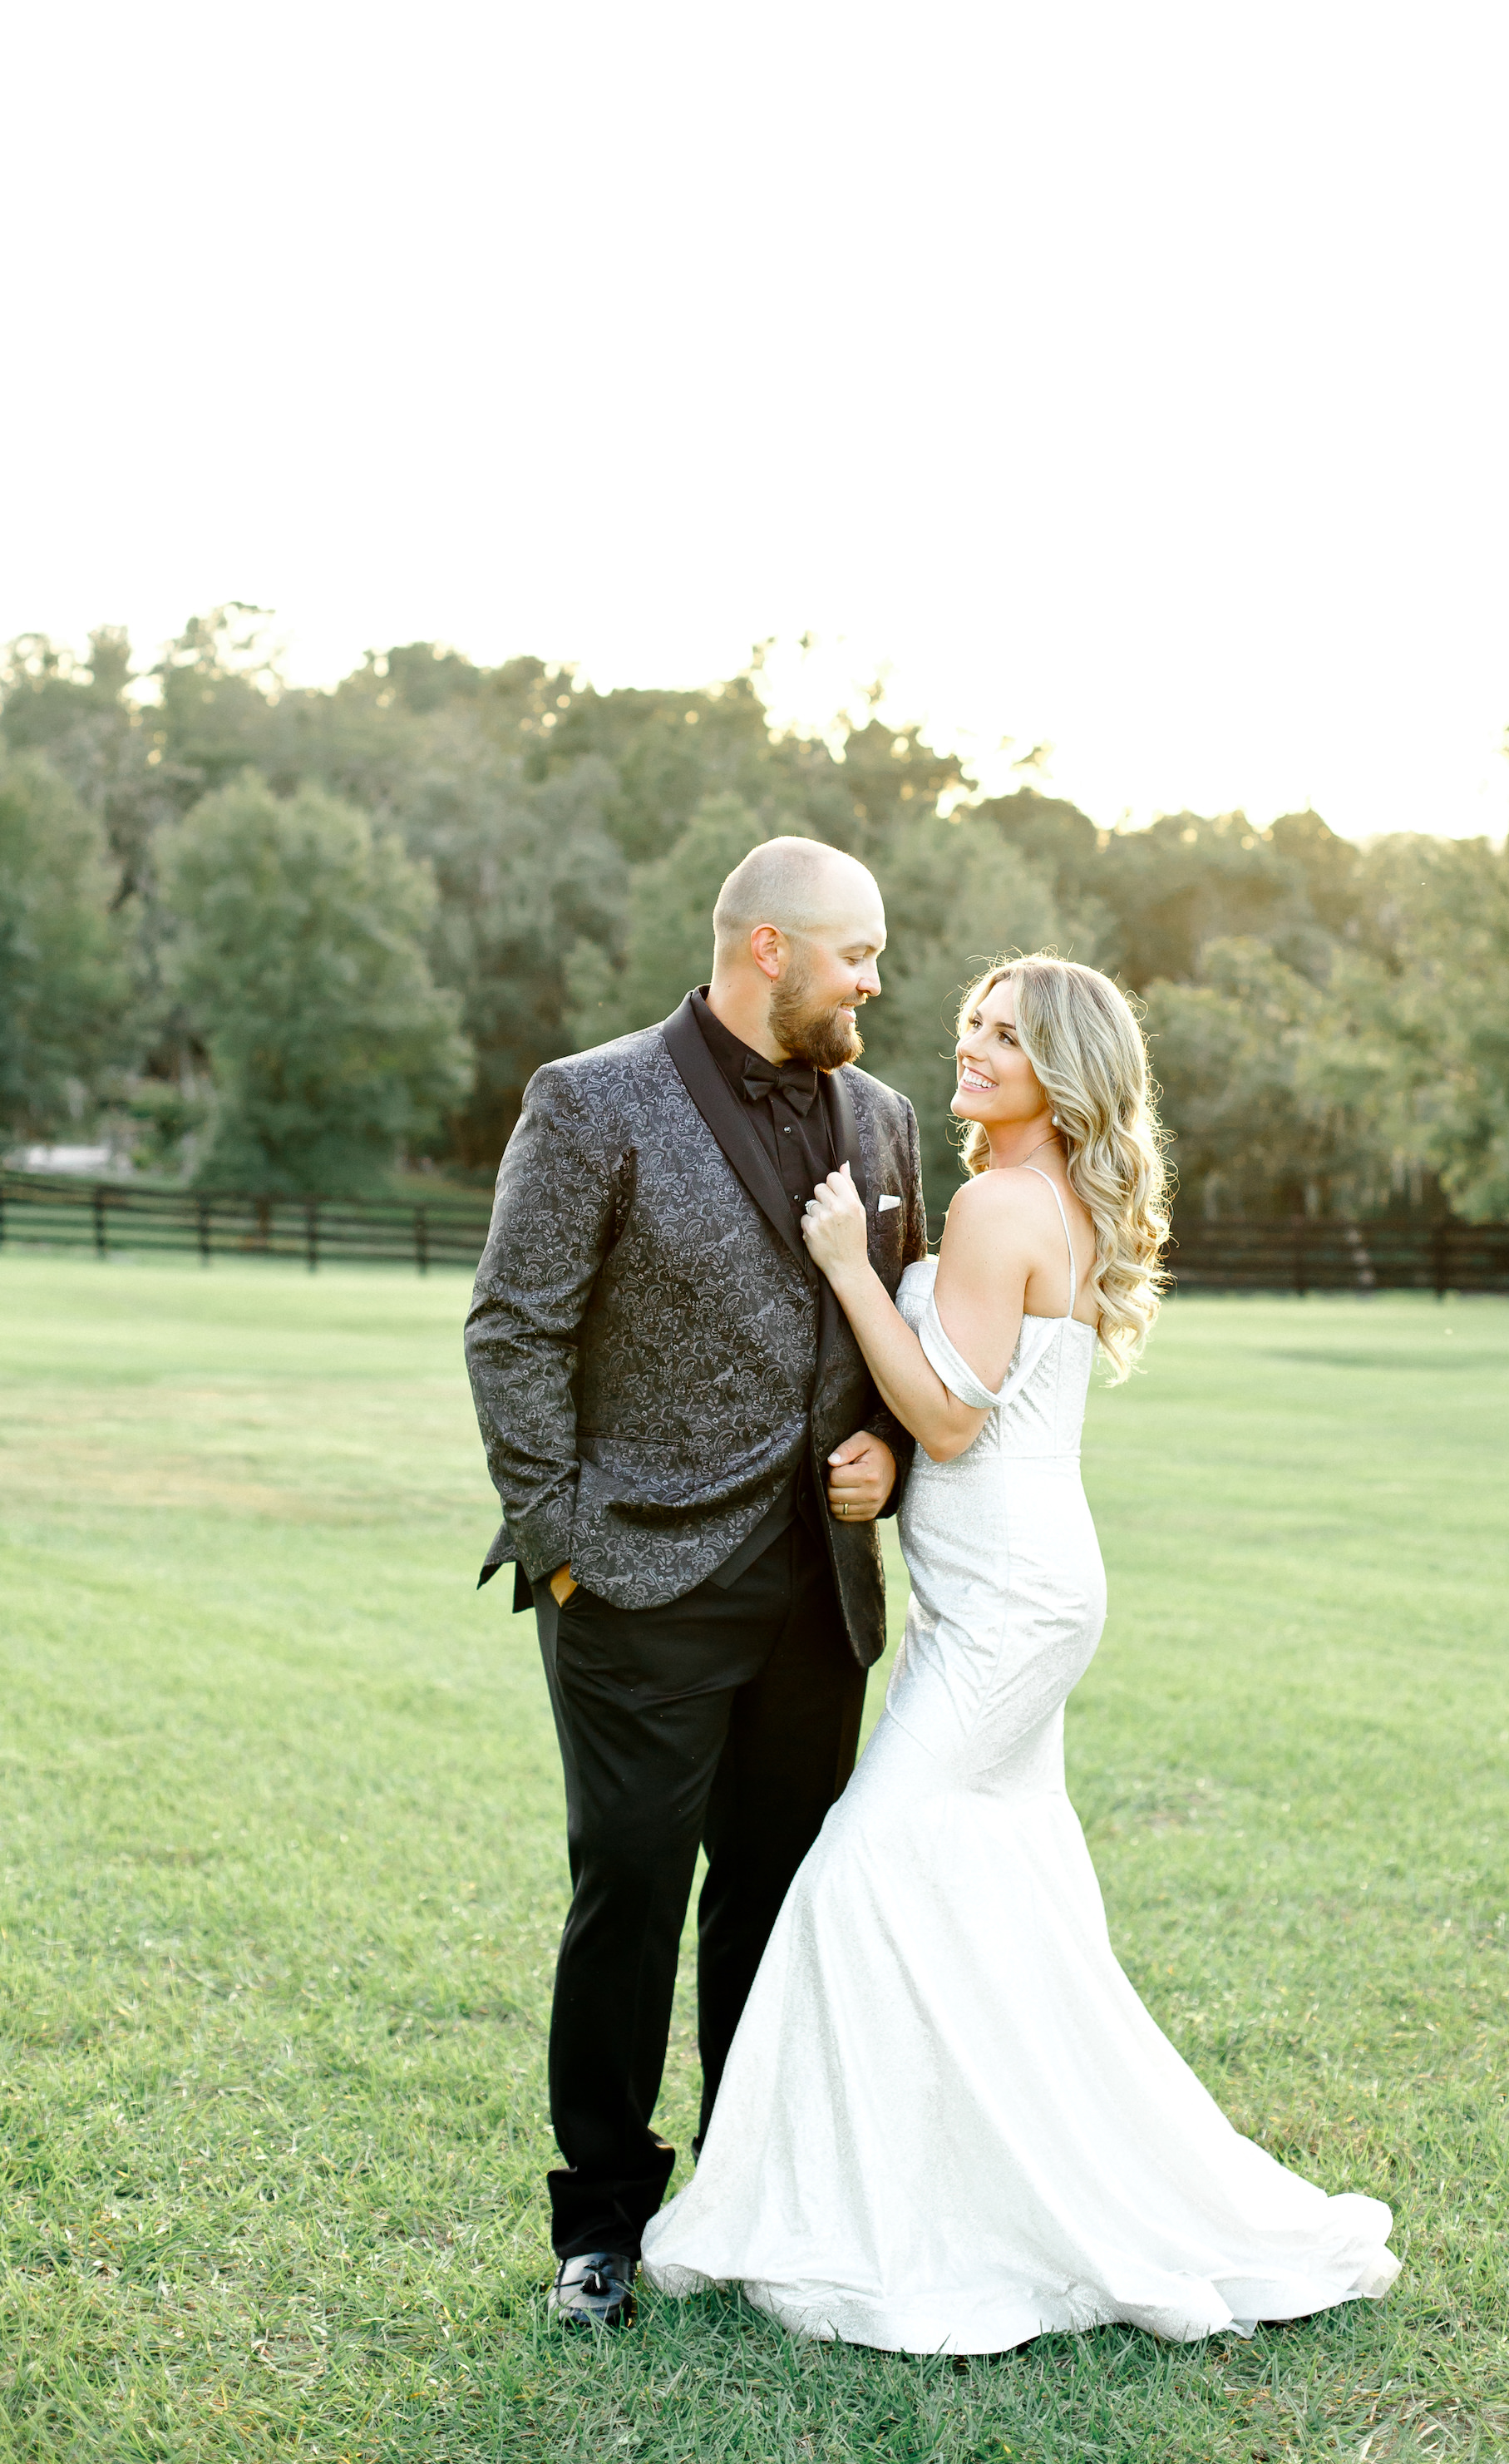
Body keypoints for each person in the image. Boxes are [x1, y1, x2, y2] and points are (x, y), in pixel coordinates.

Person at [641, 953, 1399, 2352]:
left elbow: (949, 1417)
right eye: (974, 1024)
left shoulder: (999, 1201)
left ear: (1066, 1073)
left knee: (860, 1872)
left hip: (1009, 1607)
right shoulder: (1028, 1195)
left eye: (1009, 1036)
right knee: (1002, 1899)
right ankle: (988, 2181)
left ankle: (895, 2208)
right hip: (1006, 1590)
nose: (974, 1047)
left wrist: (847, 1270)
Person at [464, 837, 927, 2329]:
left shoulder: (889, 1118)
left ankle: (747, 2190)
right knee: (633, 1890)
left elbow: (890, 1339)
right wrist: (561, 1546)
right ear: (770, 948)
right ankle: (601, 2223)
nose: (876, 977)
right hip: (635, 1580)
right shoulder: (588, 1099)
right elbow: (512, 1329)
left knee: (778, 1899)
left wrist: (884, 1459)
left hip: (821, 1592)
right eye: (856, 951)